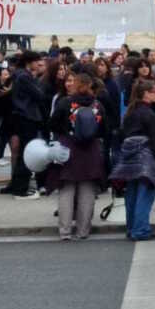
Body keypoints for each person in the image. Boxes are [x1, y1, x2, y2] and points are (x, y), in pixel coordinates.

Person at [46, 72, 106, 240]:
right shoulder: (97, 105)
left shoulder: (65, 102)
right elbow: (105, 128)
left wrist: (64, 132)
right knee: (87, 191)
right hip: (91, 150)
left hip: (68, 149)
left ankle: (65, 231)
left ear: (77, 84)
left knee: (66, 190)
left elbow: (52, 124)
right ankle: (83, 231)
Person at [111, 79, 155, 241]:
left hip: (130, 158)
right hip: (147, 158)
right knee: (145, 196)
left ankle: (132, 228)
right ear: (146, 94)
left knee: (133, 195)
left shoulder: (130, 112)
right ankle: (141, 230)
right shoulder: (150, 115)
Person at [3, 51, 47, 197]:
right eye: (36, 61)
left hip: (19, 115)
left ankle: (15, 184)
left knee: (21, 152)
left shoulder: (17, 74)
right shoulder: (25, 76)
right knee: (26, 152)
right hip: (28, 116)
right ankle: (21, 187)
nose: (37, 65)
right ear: (30, 62)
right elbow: (39, 95)